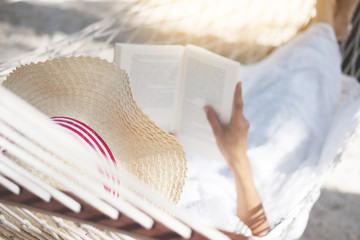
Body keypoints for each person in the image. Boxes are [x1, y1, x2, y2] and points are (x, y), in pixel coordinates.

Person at [178, 0, 359, 237]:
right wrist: (237, 157)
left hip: (184, 161)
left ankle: (325, 28)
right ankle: (327, 25)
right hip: (245, 175)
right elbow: (258, 231)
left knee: (260, 98)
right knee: (298, 98)